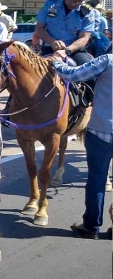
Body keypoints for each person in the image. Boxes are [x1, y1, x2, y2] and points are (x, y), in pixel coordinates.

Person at [51, 51, 112, 239]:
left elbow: (73, 75)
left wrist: (57, 63)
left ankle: (91, 226)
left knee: (96, 179)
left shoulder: (108, 60)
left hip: (101, 131)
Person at [35, 0, 94, 66]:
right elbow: (39, 28)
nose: (73, 3)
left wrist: (67, 50)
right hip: (50, 47)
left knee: (89, 74)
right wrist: (52, 42)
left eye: (79, 1)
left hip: (74, 50)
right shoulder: (50, 4)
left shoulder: (88, 12)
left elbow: (84, 37)